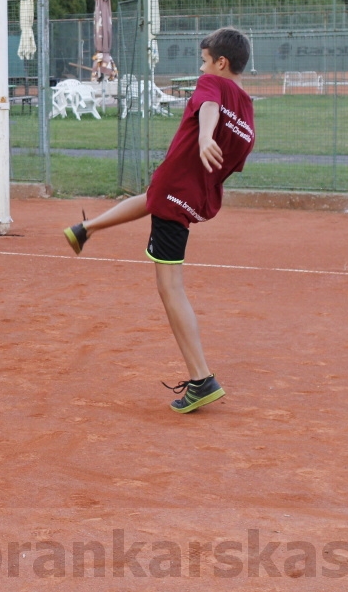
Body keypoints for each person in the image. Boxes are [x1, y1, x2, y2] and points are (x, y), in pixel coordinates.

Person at [61, 28, 255, 414]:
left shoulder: (211, 83)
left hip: (176, 192)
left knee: (170, 288)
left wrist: (202, 138)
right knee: (153, 199)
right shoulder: (247, 109)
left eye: (204, 60)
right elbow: (233, 159)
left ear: (221, 63)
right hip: (184, 193)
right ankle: (87, 229)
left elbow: (208, 107)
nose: (201, 68)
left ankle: (201, 378)